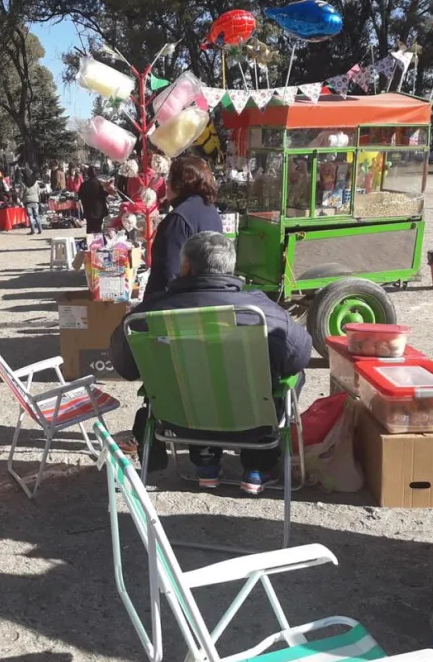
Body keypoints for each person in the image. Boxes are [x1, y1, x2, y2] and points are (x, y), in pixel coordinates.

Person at [110, 232, 312, 493]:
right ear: (230, 268)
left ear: (186, 267)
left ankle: (206, 464)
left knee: (195, 387)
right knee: (292, 376)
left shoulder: (147, 314)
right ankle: (257, 468)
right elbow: (298, 357)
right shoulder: (260, 312)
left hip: (178, 420)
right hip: (250, 420)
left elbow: (125, 367)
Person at [143, 156, 223, 298]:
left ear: (180, 183)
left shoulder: (178, 219)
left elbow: (167, 273)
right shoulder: (211, 212)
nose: (166, 184)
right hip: (208, 297)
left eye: (169, 179)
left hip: (179, 305)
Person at [78, 167, 109, 235]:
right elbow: (105, 194)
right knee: (98, 229)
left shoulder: (83, 185)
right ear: (96, 174)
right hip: (99, 211)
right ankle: (98, 243)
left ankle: (90, 242)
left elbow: (79, 196)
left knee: (89, 228)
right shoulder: (99, 184)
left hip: (88, 211)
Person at [20, 170, 43, 235]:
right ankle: (40, 229)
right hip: (35, 201)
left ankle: (33, 231)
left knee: (30, 216)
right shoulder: (35, 182)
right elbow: (39, 192)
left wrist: (21, 199)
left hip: (27, 202)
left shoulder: (23, 184)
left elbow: (20, 194)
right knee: (37, 215)